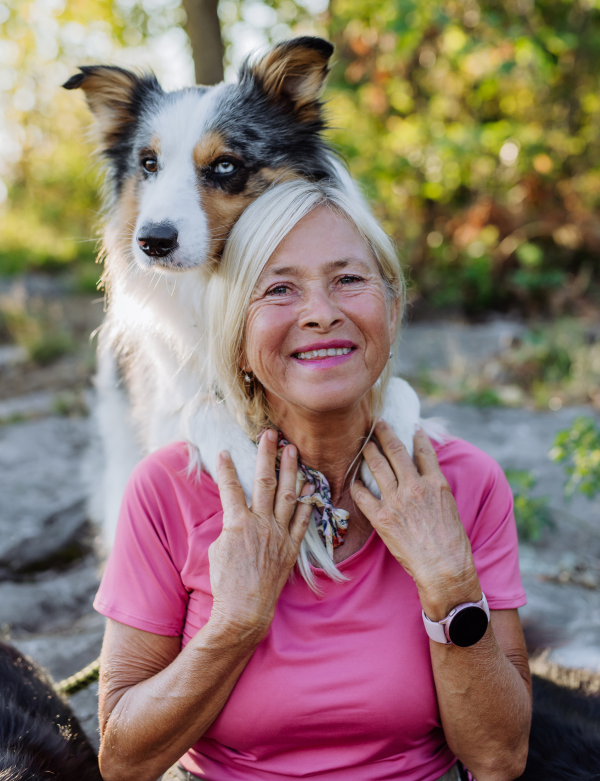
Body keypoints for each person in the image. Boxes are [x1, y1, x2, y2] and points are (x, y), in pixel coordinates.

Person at [94, 180, 532, 781]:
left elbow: (500, 758)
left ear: (392, 306)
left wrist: (451, 583)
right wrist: (236, 624)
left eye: (349, 280)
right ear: (238, 341)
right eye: (279, 289)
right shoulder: (169, 489)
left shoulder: (463, 482)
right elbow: (123, 759)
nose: (322, 313)